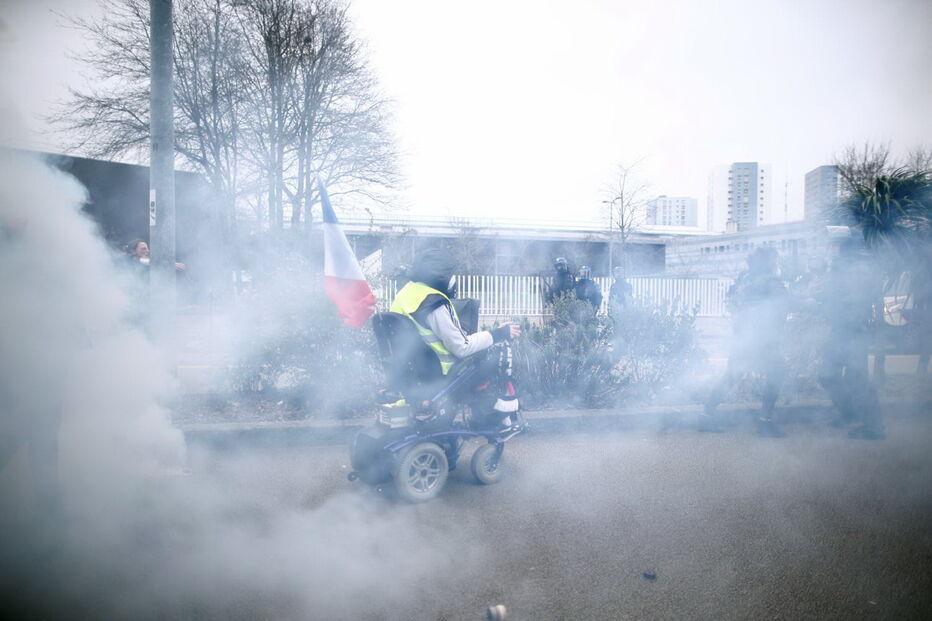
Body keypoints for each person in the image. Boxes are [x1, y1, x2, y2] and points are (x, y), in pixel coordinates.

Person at [390, 248, 521, 425]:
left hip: (413, 372)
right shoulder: (434, 303)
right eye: (451, 273)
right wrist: (499, 334)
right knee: (490, 363)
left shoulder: (405, 293)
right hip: (440, 374)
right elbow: (461, 347)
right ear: (442, 276)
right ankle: (489, 419)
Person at [701, 247, 789, 437]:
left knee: (732, 375)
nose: (778, 264)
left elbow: (732, 300)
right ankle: (765, 423)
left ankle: (706, 414)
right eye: (776, 260)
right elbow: (783, 306)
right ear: (770, 262)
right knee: (777, 374)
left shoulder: (746, 278)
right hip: (764, 339)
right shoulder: (772, 282)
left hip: (744, 336)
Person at [818, 239, 885, 439]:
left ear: (843, 248)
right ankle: (849, 413)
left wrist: (829, 301)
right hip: (840, 329)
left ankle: (874, 428)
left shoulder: (857, 269)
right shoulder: (845, 267)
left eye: (835, 246)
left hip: (852, 331)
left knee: (858, 379)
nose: (832, 249)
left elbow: (853, 300)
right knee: (827, 374)